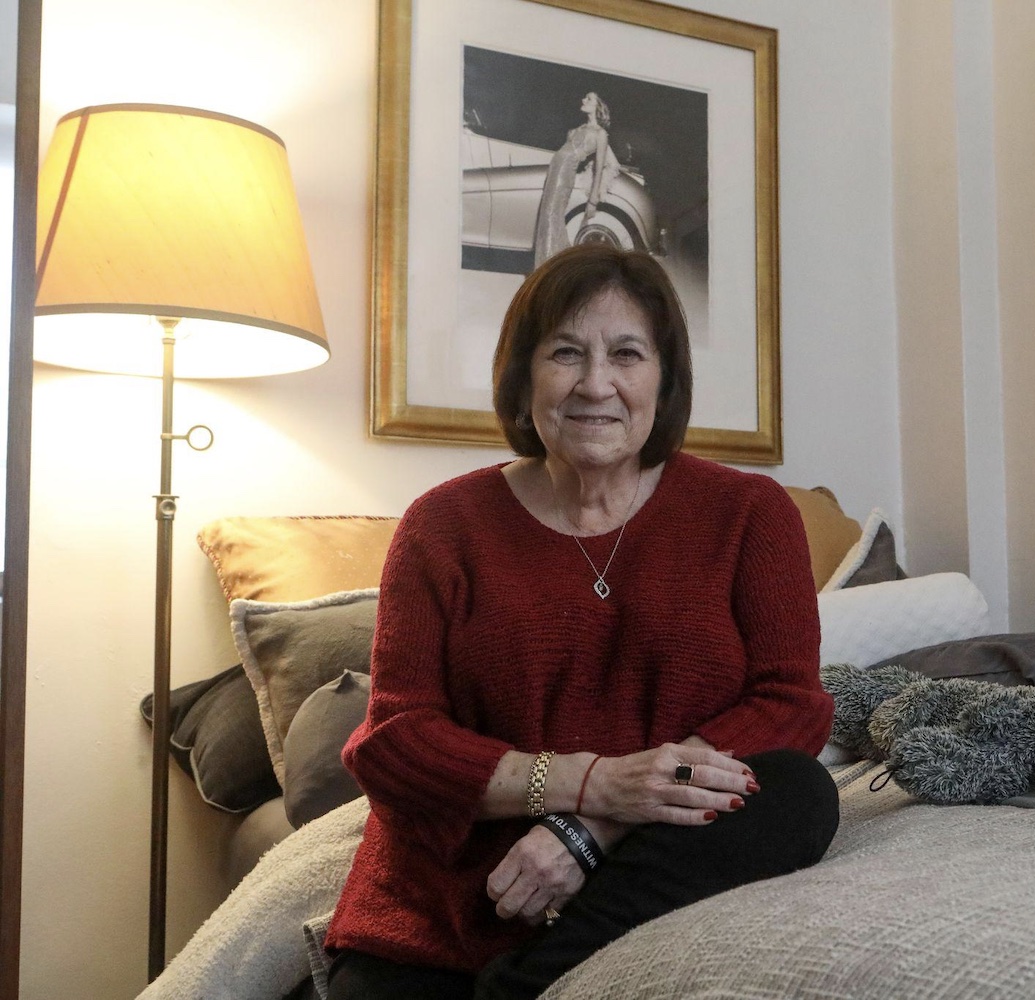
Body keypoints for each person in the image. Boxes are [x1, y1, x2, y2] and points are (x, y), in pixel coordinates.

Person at [322, 242, 839, 1000]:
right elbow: (399, 743)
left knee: (796, 789)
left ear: (664, 381)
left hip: (634, 875)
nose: (596, 384)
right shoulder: (443, 527)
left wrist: (593, 827)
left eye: (627, 354)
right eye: (566, 353)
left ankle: (525, 986)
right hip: (454, 898)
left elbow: (790, 704)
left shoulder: (750, 515)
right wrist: (590, 783)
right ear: (522, 375)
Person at [532, 92, 621, 268]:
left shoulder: (601, 134)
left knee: (552, 216)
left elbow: (600, 166)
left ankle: (550, 266)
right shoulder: (575, 130)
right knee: (546, 216)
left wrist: (593, 199)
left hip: (565, 175)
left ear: (598, 106)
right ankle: (548, 263)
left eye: (589, 99)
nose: (583, 100)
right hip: (554, 172)